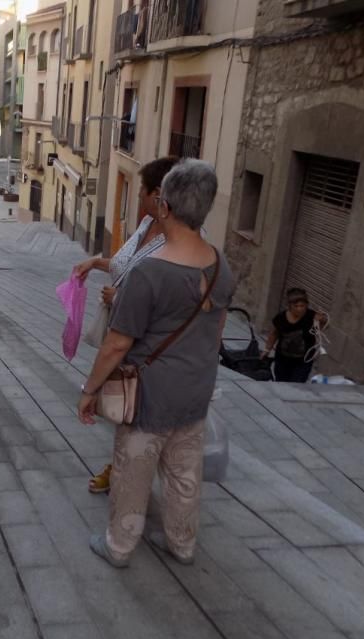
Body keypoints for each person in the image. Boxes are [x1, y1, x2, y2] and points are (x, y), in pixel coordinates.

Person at [77, 159, 236, 568]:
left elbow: (116, 344)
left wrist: (90, 391)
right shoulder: (221, 265)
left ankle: (118, 546)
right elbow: (215, 333)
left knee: (133, 473)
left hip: (149, 396)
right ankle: (182, 544)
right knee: (185, 474)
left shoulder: (149, 273)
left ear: (163, 206)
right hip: (196, 389)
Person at [72, 156, 179, 494]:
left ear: (158, 194)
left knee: (135, 413)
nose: (137, 199)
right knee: (125, 410)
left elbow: (172, 300)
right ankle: (125, 466)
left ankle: (130, 476)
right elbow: (127, 266)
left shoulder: (182, 242)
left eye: (141, 192)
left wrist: (120, 300)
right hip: (121, 334)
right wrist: (96, 262)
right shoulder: (146, 226)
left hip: (148, 347)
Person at [262, 288, 328, 383]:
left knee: (296, 384)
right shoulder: (281, 318)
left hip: (303, 361)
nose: (299, 309)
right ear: (289, 306)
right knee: (281, 383)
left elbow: (321, 328)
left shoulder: (311, 316)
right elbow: (274, 334)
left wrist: (322, 320)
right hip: (283, 359)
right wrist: (267, 350)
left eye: (302, 306)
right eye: (296, 306)